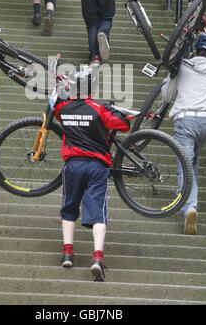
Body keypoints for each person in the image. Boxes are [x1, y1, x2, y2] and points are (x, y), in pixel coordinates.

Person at [54, 66, 130, 281]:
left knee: (68, 209)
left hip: (73, 165)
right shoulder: (99, 109)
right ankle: (97, 258)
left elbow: (54, 105)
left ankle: (67, 253)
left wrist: (62, 88)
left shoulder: (63, 108)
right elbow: (123, 125)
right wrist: (118, 113)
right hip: (97, 166)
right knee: (98, 213)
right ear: (95, 87)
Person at [161, 32, 206, 235]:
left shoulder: (182, 66)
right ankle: (189, 195)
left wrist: (172, 73)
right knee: (192, 161)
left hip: (185, 121)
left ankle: (189, 206)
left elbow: (166, 96)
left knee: (184, 165)